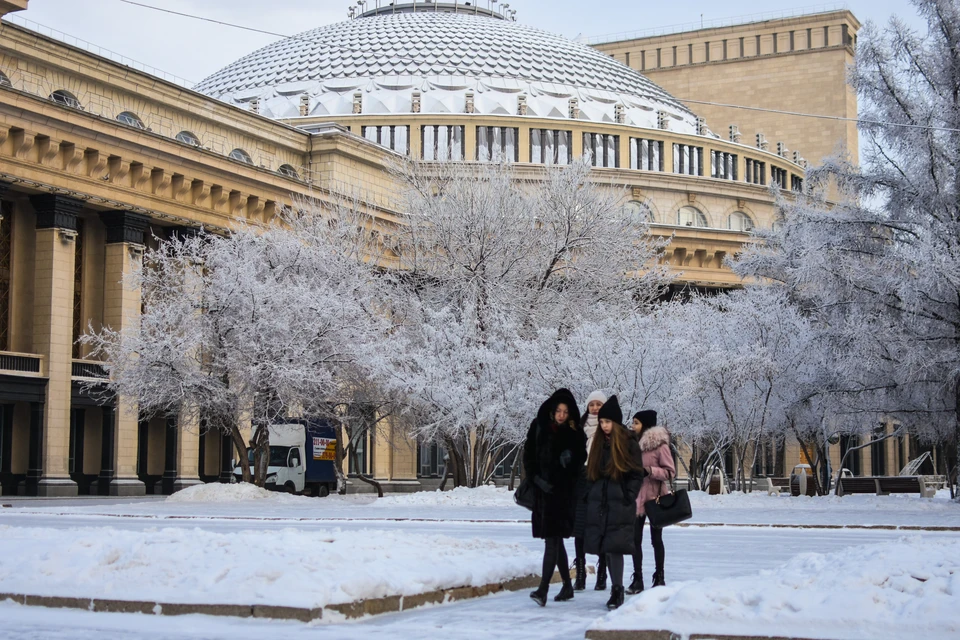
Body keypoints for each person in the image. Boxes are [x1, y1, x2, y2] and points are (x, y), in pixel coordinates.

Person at [523, 388, 586, 607]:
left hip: (562, 496)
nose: (561, 415)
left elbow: (580, 462)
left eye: (565, 411)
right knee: (555, 541)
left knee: (552, 540)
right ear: (552, 410)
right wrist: (536, 480)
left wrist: (571, 460)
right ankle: (567, 586)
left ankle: (543, 590)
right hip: (543, 493)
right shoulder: (539, 427)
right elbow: (528, 456)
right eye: (558, 410)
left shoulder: (575, 433)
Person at [583, 395, 644, 610]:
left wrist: (628, 495)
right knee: (607, 547)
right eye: (601, 422)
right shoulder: (599, 442)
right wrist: (590, 493)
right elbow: (591, 471)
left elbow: (637, 473)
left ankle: (617, 589)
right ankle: (614, 587)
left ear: (616, 422)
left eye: (607, 422)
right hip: (601, 503)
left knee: (615, 547)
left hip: (620, 503)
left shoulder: (628, 443)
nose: (604, 426)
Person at [631, 409, 675, 590]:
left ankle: (659, 576)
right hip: (636, 499)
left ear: (645, 425)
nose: (632, 426)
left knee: (656, 540)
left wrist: (650, 470)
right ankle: (638, 578)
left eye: (636, 423)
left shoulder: (660, 446)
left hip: (655, 499)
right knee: (634, 540)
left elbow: (670, 472)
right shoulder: (632, 444)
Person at [573, 390, 607, 592]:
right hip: (581, 481)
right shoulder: (579, 427)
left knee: (601, 528)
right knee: (580, 529)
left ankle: (602, 574)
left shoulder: (607, 428)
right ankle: (580, 574)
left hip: (600, 481)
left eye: (599, 404)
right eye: (591, 404)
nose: (594, 408)